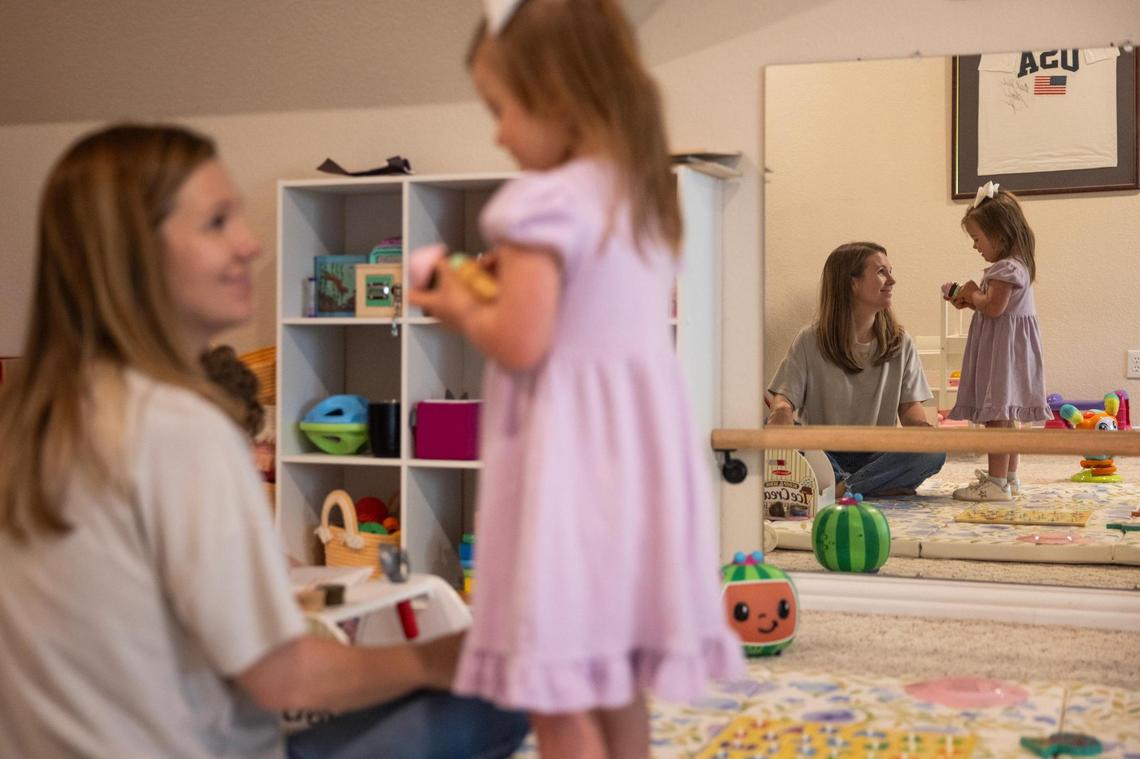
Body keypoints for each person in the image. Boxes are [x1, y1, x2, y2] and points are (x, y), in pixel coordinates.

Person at [0, 124, 528, 759]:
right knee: (498, 700)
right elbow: (285, 677)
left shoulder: (30, 420)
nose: (250, 245)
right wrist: (439, 660)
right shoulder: (178, 429)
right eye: (217, 222)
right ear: (133, 251)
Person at [408, 1, 744, 756]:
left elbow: (522, 342)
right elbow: (585, 309)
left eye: (502, 109)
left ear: (557, 94)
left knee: (555, 691)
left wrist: (459, 301)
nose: (496, 132)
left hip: (567, 467)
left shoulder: (540, 201)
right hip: (635, 464)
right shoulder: (639, 196)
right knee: (614, 676)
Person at [767, 242, 946, 498]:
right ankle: (875, 486)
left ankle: (842, 489)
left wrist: (923, 431)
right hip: (823, 453)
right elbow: (784, 399)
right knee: (767, 427)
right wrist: (781, 412)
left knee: (933, 450)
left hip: (878, 454)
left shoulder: (901, 341)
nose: (892, 280)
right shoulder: (809, 339)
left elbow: (909, 410)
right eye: (882, 272)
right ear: (852, 283)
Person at [946, 182, 1050, 501]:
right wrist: (969, 298)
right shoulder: (1017, 265)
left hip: (1002, 354)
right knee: (1008, 415)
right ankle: (1009, 477)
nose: (976, 246)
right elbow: (991, 305)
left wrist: (972, 291)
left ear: (999, 235)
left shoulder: (1006, 268)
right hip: (1011, 350)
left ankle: (995, 483)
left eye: (977, 239)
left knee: (998, 416)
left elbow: (992, 306)